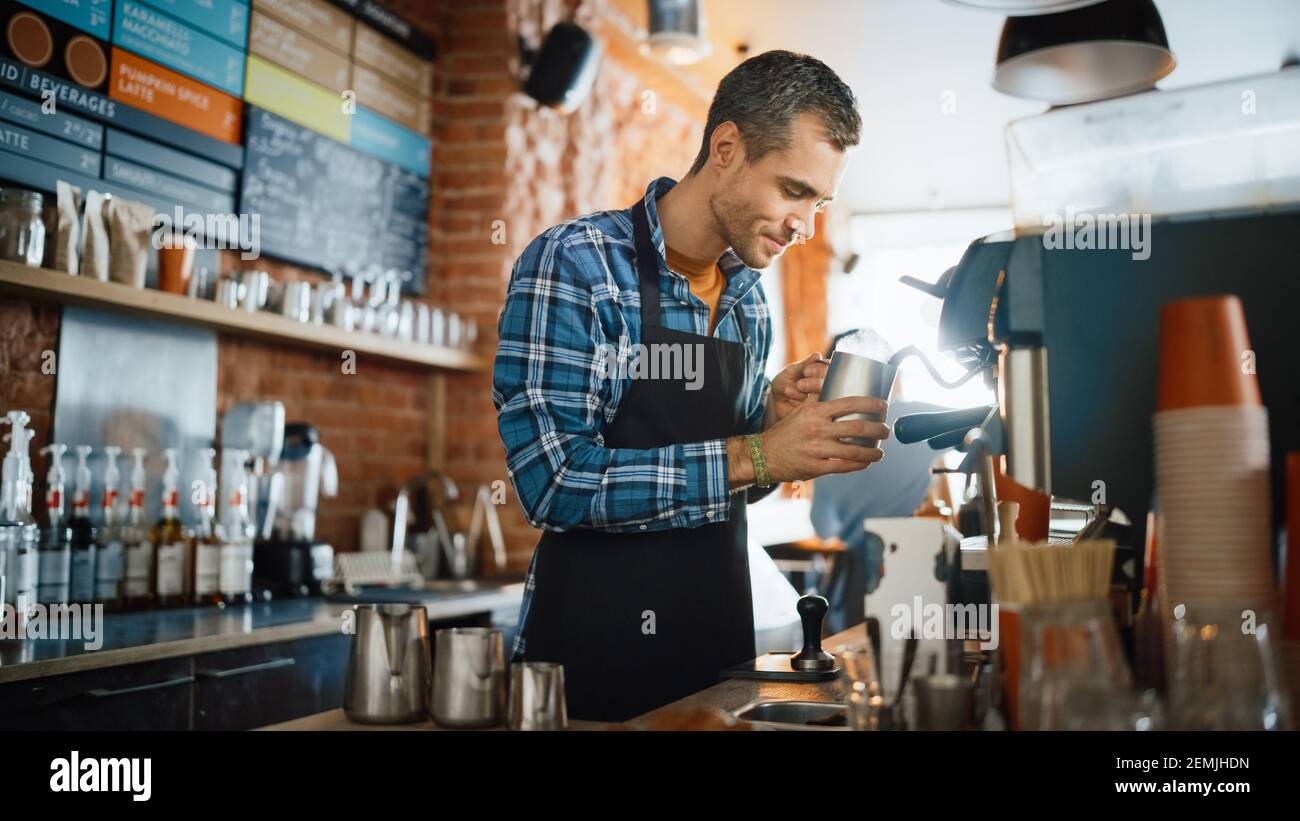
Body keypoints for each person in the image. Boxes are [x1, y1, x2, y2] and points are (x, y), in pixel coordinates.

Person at [493, 50, 889, 721]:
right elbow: (552, 483)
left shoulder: (750, 302)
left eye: (819, 203)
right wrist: (756, 452)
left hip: (718, 658)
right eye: (793, 191)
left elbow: (736, 477)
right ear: (727, 148)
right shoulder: (577, 265)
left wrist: (770, 421)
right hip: (592, 666)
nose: (805, 227)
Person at [811, 331, 949, 634]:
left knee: (864, 667)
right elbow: (984, 428)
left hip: (860, 579)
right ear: (891, 374)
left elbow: (823, 528)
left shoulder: (825, 439)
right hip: (921, 567)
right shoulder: (919, 419)